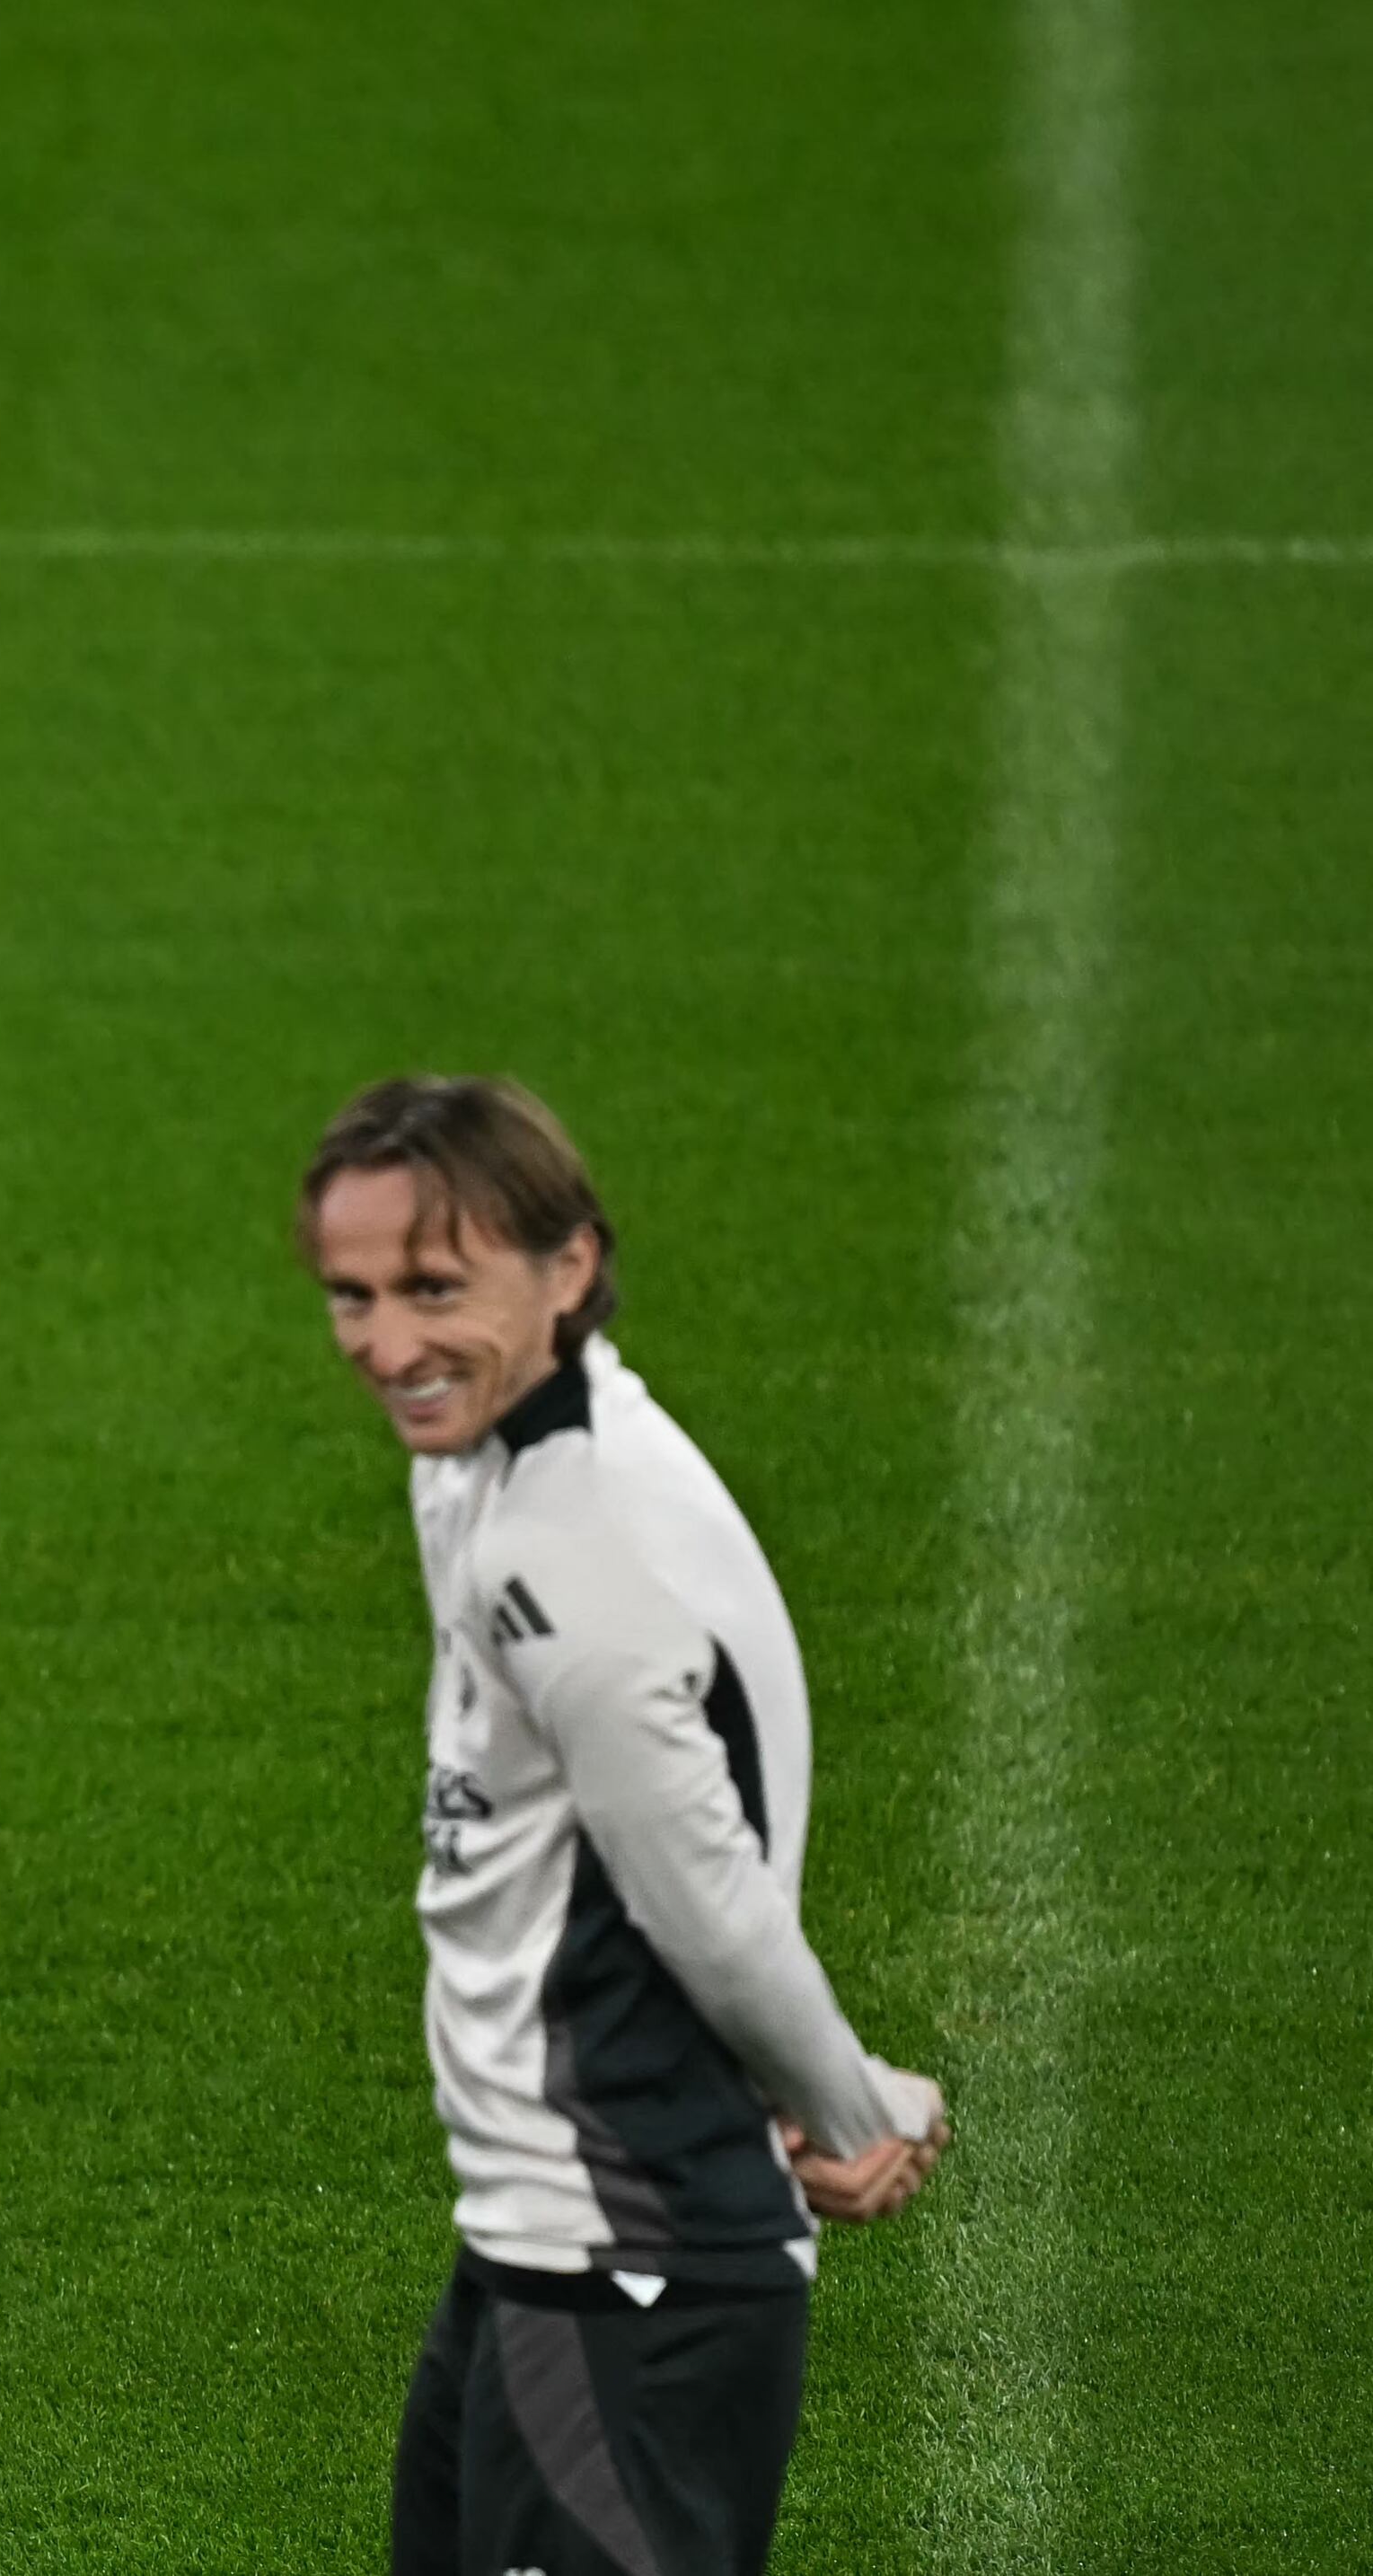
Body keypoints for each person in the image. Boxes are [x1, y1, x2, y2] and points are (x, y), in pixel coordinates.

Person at [297, 1076, 948, 2576]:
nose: (386, 1344)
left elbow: (705, 1894)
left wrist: (846, 2106)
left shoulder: (576, 1549)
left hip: (634, 2262)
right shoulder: (487, 1457)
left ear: (570, 1265)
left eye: (434, 1287)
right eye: (352, 1294)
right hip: (535, 2239)